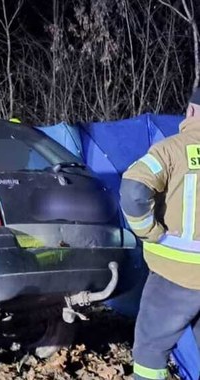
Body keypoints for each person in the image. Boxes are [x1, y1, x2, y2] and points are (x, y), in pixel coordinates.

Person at [121, 88, 200, 380]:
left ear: (191, 111)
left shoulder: (171, 150)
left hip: (176, 278)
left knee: (150, 351)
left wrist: (149, 232)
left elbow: (132, 189)